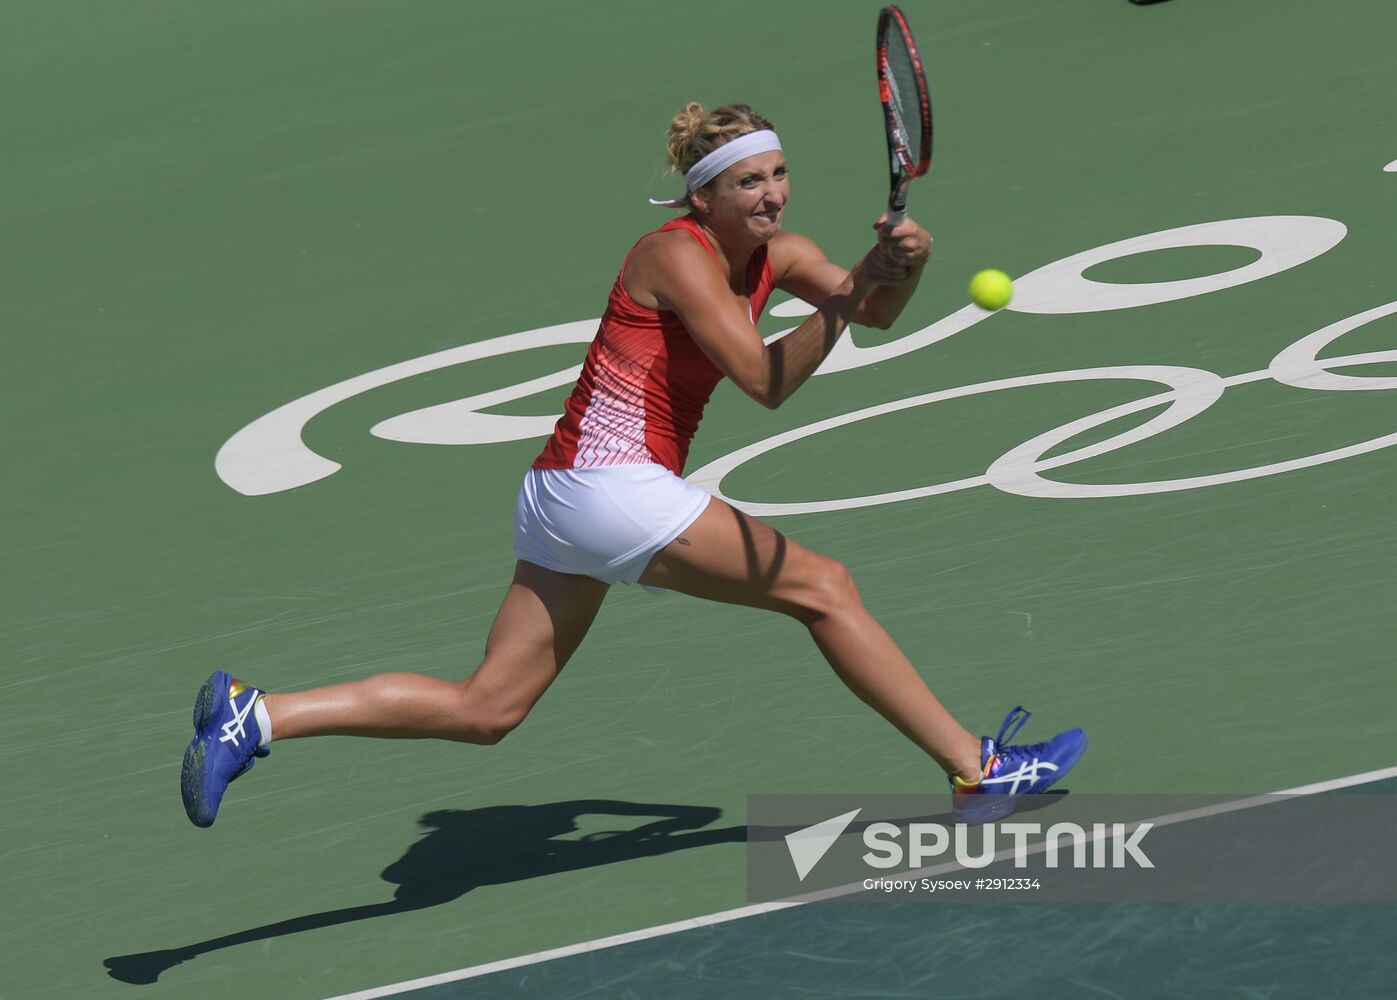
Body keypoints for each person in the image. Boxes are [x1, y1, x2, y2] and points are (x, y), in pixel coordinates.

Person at [181, 102, 1086, 830]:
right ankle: (978, 771)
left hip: (560, 496)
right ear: (703, 199)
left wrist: (900, 270)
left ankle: (255, 715)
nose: (769, 197)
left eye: (776, 175)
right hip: (607, 485)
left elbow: (874, 309)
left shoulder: (781, 255)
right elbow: (767, 380)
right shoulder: (672, 256)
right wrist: (853, 299)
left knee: (486, 709)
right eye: (746, 184)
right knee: (825, 588)